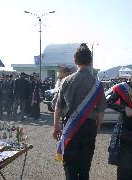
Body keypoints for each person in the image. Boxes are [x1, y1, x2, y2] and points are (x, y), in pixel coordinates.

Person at [53, 44, 107, 180]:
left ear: (75, 61)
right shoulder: (98, 84)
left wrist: (56, 126)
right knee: (85, 166)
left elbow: (58, 107)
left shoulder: (65, 81)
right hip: (89, 127)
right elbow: (101, 111)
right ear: (90, 61)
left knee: (70, 165)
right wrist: (98, 127)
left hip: (70, 127)